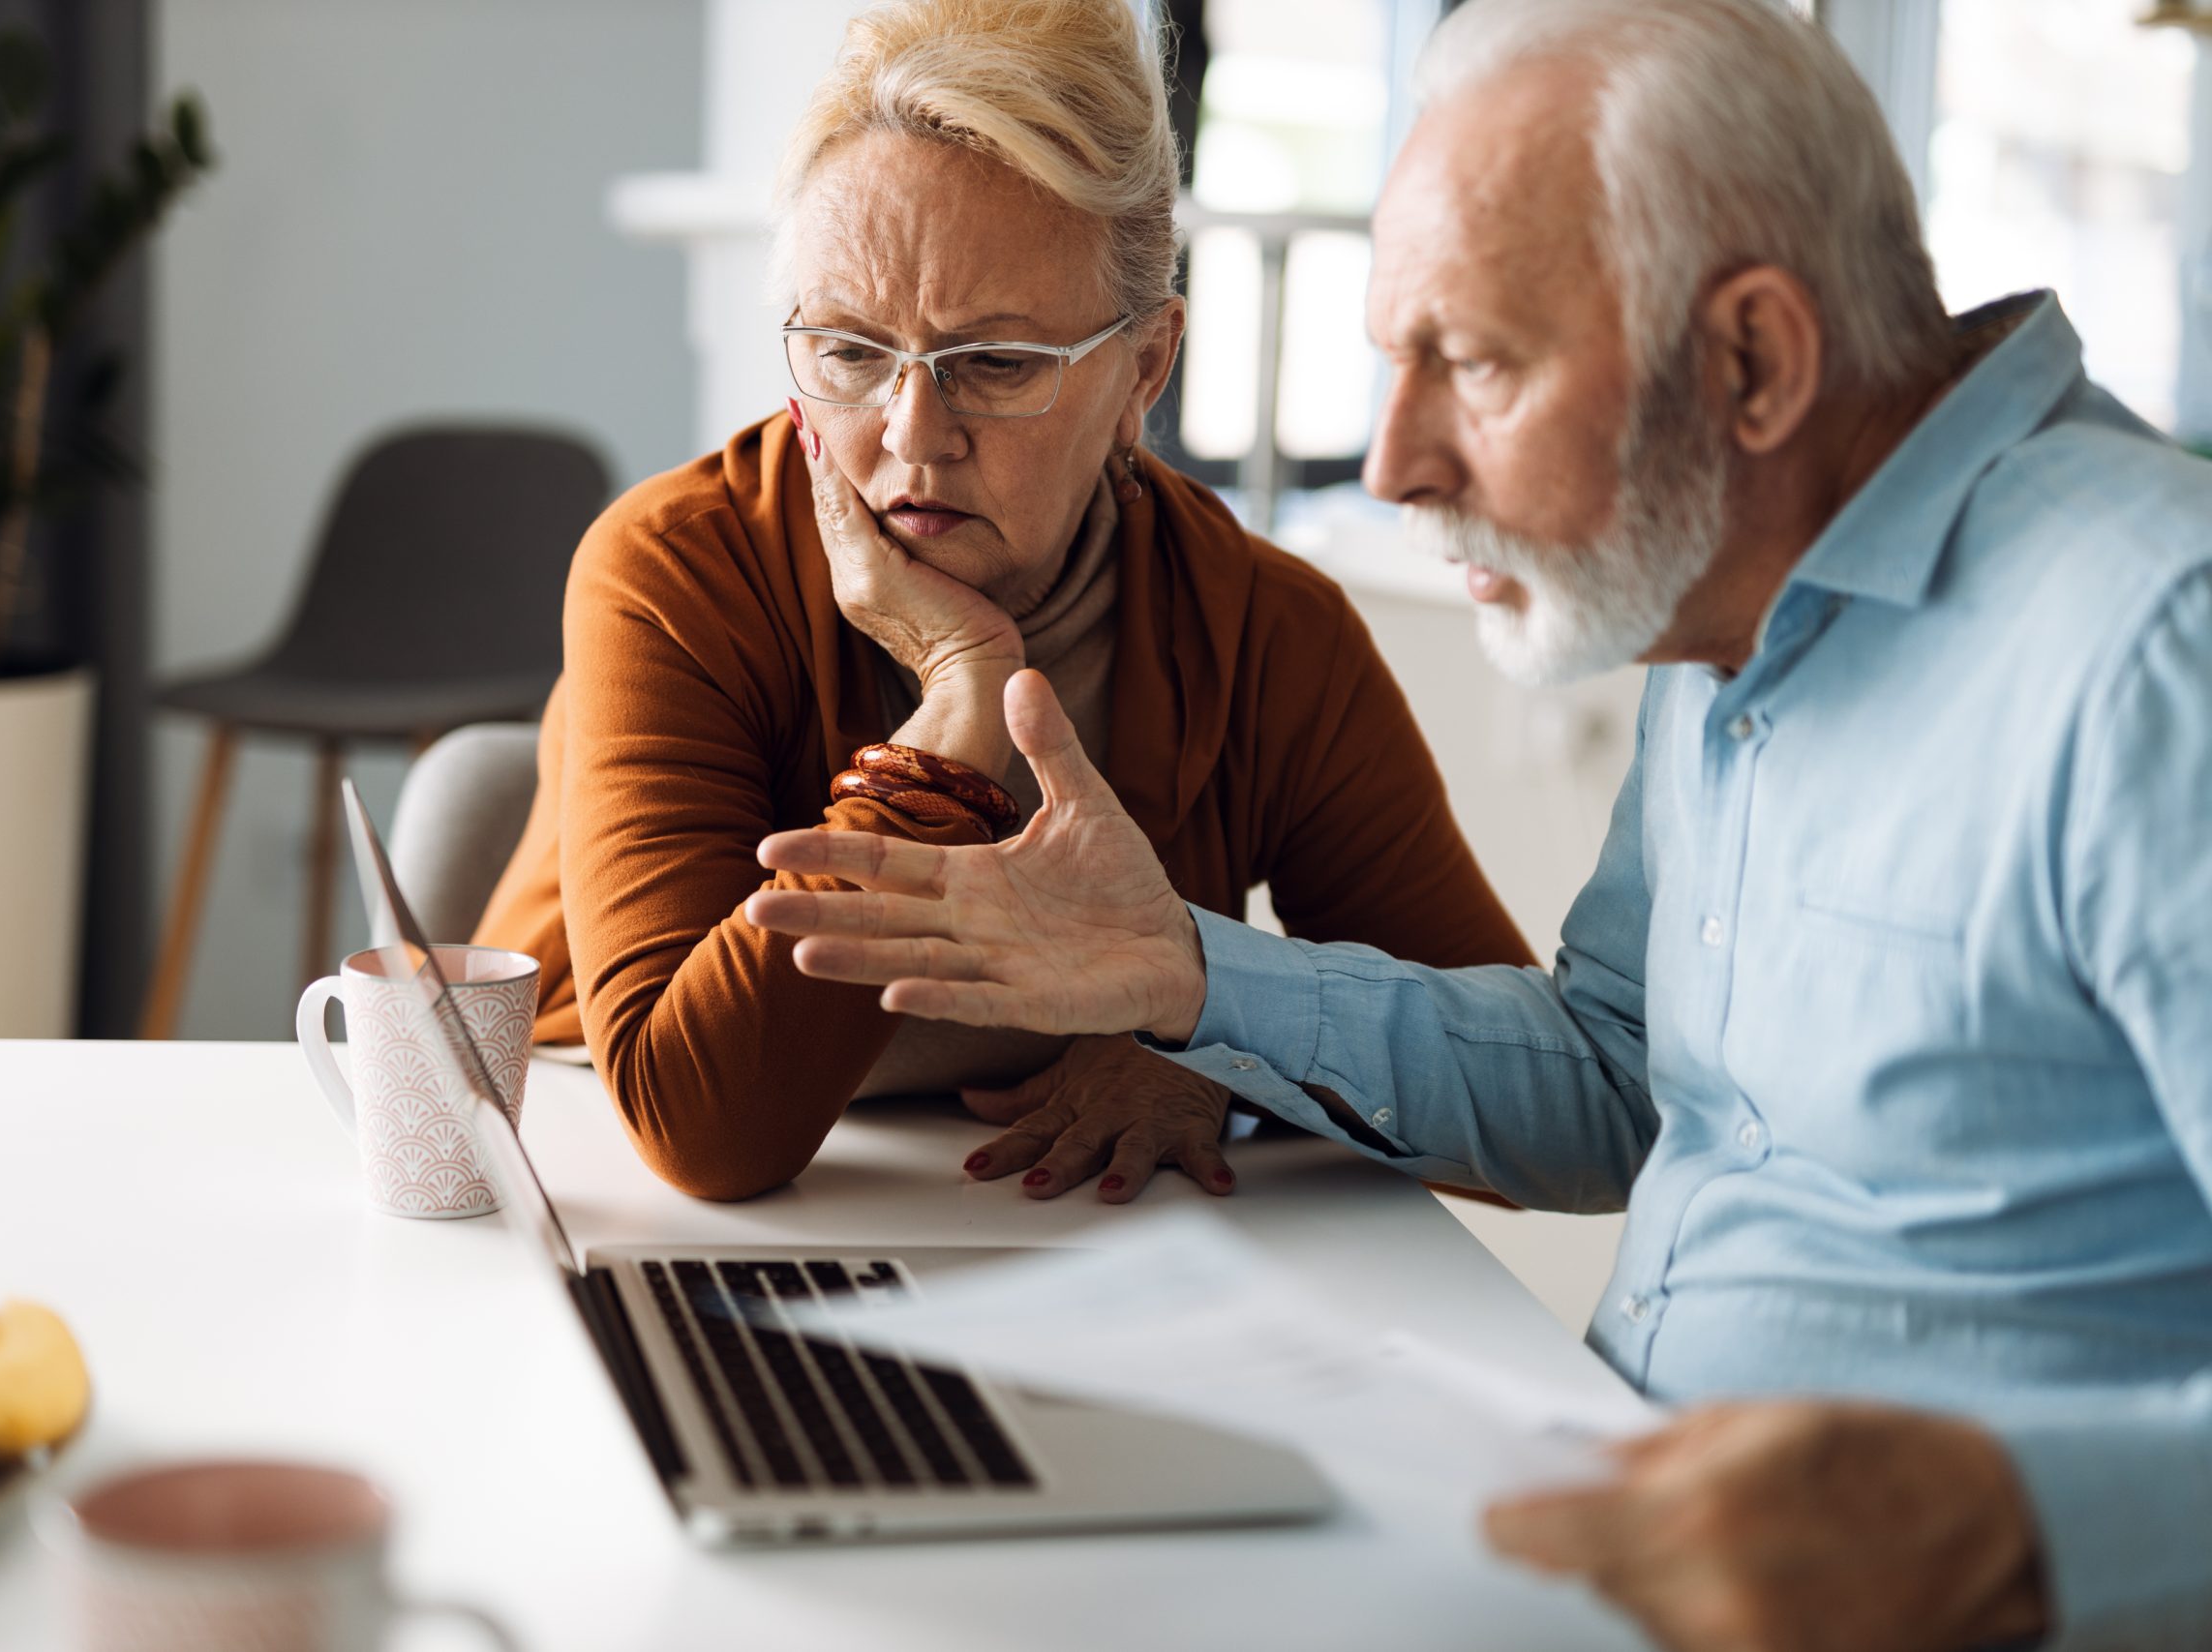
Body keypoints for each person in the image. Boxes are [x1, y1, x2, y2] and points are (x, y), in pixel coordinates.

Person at [743, 0, 2212, 1646]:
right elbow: (1619, 1082)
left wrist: (2016, 1527)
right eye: (1395, 360)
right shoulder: (1734, 590)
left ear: (1753, 361)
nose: (1396, 463)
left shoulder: (2157, 651)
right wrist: (1183, 973)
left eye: (1478, 363)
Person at [472, 0, 1530, 1204]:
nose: (913, 438)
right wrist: (958, 702)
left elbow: (1521, 1107)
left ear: (1144, 369)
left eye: (997, 364)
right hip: (617, 1196)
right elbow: (702, 1131)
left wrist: (1226, 1058)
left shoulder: (1263, 630)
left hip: (1067, 1241)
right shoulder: (677, 571)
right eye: (851, 353)